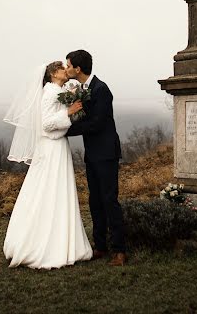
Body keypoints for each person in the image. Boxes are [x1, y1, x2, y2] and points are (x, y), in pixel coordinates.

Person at [3, 61, 92, 269]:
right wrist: (69, 113)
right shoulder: (51, 92)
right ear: (53, 73)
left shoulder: (56, 90)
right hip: (52, 148)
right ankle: (47, 245)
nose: (65, 71)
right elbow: (46, 124)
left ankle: (61, 241)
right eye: (62, 68)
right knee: (51, 190)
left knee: (53, 191)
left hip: (55, 146)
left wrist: (73, 112)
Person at [65, 50, 126, 266]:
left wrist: (65, 129)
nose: (66, 69)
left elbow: (97, 123)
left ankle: (119, 251)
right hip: (92, 153)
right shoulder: (81, 90)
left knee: (110, 200)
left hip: (107, 153)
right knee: (94, 200)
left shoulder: (101, 89)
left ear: (78, 69)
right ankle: (100, 246)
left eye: (68, 65)